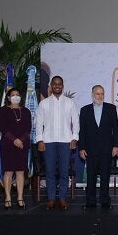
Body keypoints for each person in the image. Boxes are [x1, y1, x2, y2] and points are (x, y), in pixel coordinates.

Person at [36, 76, 79, 211]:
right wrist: (40, 140)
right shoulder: (44, 103)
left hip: (66, 141)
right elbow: (39, 123)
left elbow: (76, 121)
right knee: (49, 172)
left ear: (62, 86)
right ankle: (51, 199)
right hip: (48, 141)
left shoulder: (70, 103)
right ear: (51, 86)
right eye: (54, 84)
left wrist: (74, 138)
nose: (57, 86)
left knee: (64, 172)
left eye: (59, 84)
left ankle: (62, 199)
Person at [78, 85, 118, 210]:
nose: (100, 96)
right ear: (92, 95)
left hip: (107, 149)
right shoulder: (84, 110)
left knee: (105, 176)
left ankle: (105, 201)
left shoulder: (111, 108)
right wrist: (81, 148)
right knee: (91, 177)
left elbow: (115, 129)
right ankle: (90, 202)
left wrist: (116, 146)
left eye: (102, 93)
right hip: (90, 150)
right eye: (97, 93)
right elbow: (82, 131)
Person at [0, 87, 32, 210]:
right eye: (13, 95)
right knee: (8, 172)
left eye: (17, 94)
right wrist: (14, 140)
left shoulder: (26, 111)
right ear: (8, 97)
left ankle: (20, 198)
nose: (15, 97)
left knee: (20, 172)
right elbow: (2, 127)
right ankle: (7, 198)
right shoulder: (3, 111)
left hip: (22, 145)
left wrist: (21, 140)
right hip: (8, 145)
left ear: (20, 97)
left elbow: (28, 128)